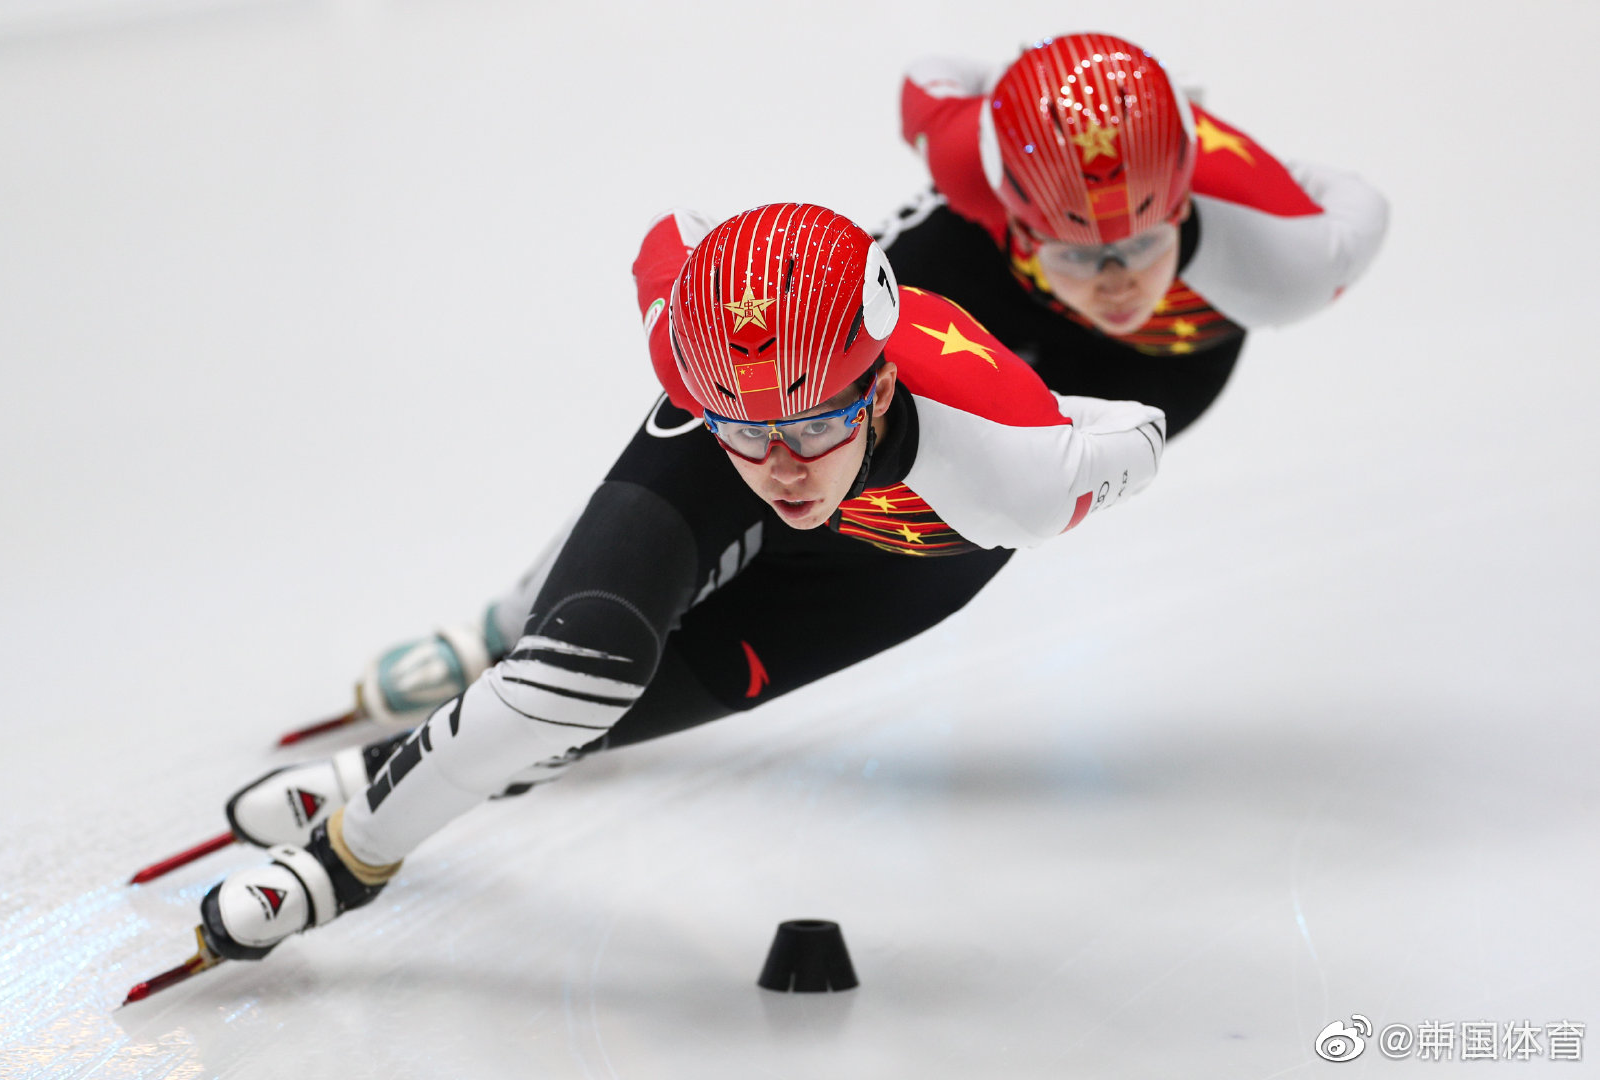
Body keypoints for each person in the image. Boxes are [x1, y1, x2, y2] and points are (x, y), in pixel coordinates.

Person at [195, 203, 1167, 962]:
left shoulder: (1017, 478)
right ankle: (362, 831)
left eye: (810, 427)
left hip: (902, 555)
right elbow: (674, 237)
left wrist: (1048, 417)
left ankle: (383, 769)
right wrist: (342, 861)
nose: (781, 468)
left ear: (877, 389)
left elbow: (1143, 431)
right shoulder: (698, 352)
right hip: (733, 437)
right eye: (749, 431)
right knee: (574, 677)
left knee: (604, 718)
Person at [879, 31, 1389, 437]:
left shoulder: (1286, 261)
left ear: (1181, 210)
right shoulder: (967, 164)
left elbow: (1366, 202)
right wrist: (1020, 90)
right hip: (994, 273)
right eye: (1077, 255)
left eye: (1142, 244)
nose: (1116, 285)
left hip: (1162, 357)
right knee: (854, 327)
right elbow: (928, 73)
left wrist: (1274, 180)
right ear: (1020, 224)